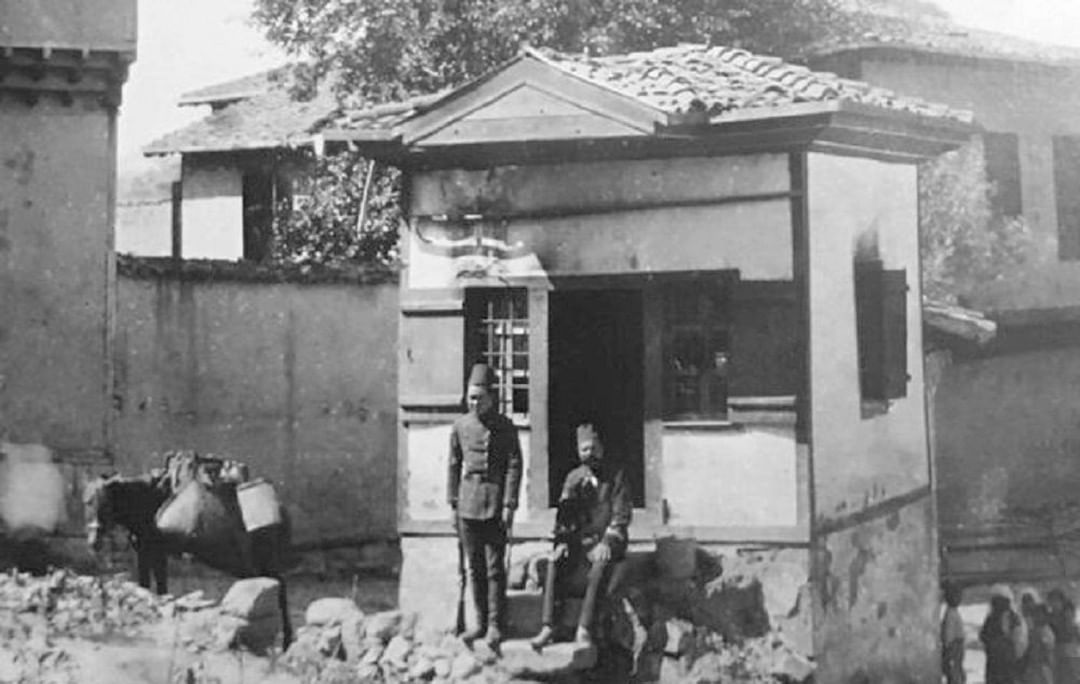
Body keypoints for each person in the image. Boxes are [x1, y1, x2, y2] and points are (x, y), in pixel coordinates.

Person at [530, 422, 633, 650]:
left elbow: (621, 515)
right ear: (579, 452)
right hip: (581, 543)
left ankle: (584, 628)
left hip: (609, 542)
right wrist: (562, 543)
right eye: (585, 449)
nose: (590, 454)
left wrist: (607, 542)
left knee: (599, 564)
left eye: (594, 448)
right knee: (555, 563)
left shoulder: (616, 476)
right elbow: (564, 517)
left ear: (602, 448)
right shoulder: (573, 478)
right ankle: (548, 625)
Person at [447, 363, 523, 648]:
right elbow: (453, 464)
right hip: (467, 502)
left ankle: (495, 625)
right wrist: (453, 504)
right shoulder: (460, 426)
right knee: (474, 567)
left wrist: (509, 503)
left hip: (494, 502)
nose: (474, 403)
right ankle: (479, 623)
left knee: (494, 568)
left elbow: (514, 465)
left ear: (491, 397)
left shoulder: (505, 427)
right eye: (471, 397)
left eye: (479, 397)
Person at [981, 584, 1028, 684]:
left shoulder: (1012, 618)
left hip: (1007, 662)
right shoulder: (991, 618)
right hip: (994, 662)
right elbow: (983, 636)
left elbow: (1019, 641)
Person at [1049, 590, 1080, 684]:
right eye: (1052, 601)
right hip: (1058, 655)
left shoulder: (1068, 617)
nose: (1054, 604)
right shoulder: (1051, 618)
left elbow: (1074, 636)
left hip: (1071, 655)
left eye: (1056, 600)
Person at [942, 582, 966, 684]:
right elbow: (949, 634)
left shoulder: (953, 612)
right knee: (955, 674)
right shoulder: (951, 614)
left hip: (957, 647)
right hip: (954, 647)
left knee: (957, 672)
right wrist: (949, 647)